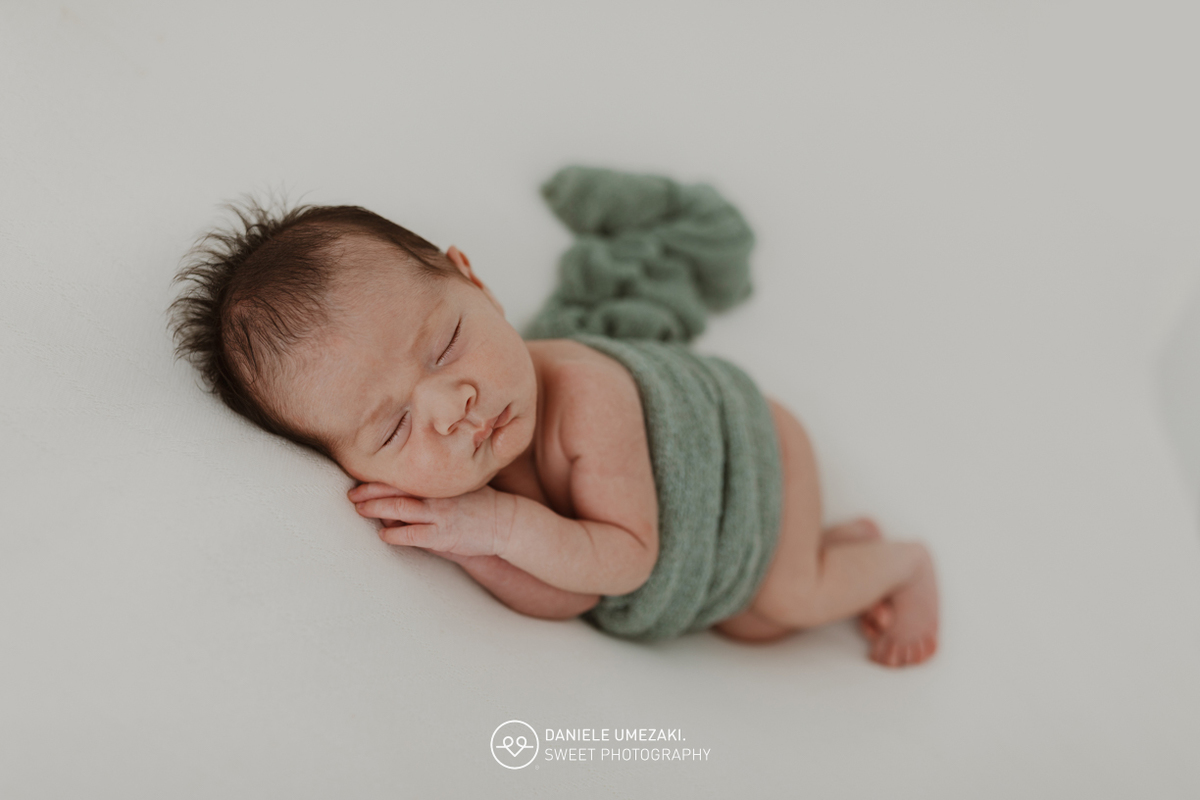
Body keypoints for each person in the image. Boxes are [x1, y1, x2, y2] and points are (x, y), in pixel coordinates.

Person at [169, 202, 939, 666]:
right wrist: (471, 544)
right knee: (751, 627)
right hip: (714, 536)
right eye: (396, 426)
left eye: (444, 348)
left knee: (785, 593)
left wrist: (500, 523)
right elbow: (568, 598)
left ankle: (901, 564)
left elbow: (625, 563)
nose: (452, 406)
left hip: (758, 452)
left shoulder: (587, 398)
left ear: (475, 281)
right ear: (348, 466)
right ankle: (840, 543)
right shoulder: (463, 477)